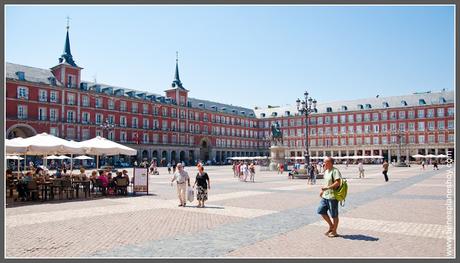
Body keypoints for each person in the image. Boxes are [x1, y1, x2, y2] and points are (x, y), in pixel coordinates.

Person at [317, 157, 342, 238]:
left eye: (325, 162)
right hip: (325, 196)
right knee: (321, 211)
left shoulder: (335, 171)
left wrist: (327, 188)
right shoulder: (326, 171)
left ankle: (334, 231)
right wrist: (323, 191)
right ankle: (331, 226)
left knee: (334, 215)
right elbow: (326, 183)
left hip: (333, 196)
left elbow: (338, 183)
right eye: (324, 162)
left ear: (330, 163)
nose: (324, 163)